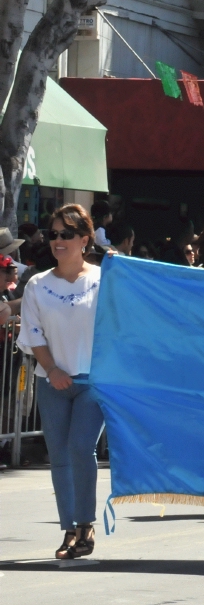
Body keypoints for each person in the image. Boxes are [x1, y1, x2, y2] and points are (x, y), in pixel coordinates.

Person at [16, 204, 103, 560]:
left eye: (67, 234)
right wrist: (52, 370)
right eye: (53, 234)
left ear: (85, 239)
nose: (58, 240)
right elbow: (33, 333)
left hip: (93, 383)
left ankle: (86, 526)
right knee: (60, 457)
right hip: (51, 383)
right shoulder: (38, 283)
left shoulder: (105, 279)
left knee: (82, 448)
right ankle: (69, 529)